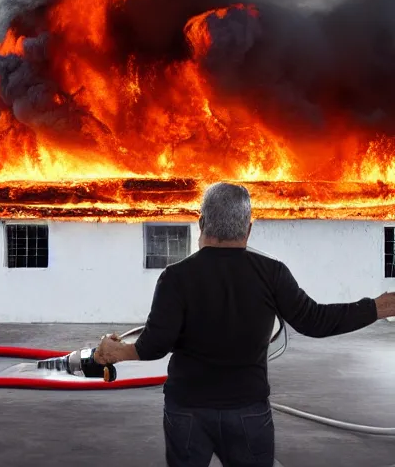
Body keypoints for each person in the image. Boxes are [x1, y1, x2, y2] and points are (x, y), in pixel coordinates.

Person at [94, 182, 395, 467]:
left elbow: (155, 346)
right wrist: (374, 308)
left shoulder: (175, 277)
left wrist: (116, 351)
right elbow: (314, 321)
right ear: (248, 229)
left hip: (186, 411)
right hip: (248, 412)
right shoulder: (272, 273)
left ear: (201, 225)